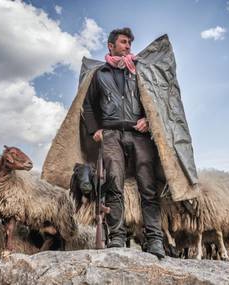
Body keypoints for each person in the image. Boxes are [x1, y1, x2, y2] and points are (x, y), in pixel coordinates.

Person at [82, 27, 165, 259]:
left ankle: (155, 239)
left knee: (148, 187)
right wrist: (94, 130)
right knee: (114, 185)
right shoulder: (100, 74)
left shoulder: (139, 71)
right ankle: (117, 237)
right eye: (123, 42)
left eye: (129, 42)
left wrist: (149, 120)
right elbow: (88, 105)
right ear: (111, 46)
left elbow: (156, 100)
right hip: (110, 135)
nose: (128, 46)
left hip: (139, 135)